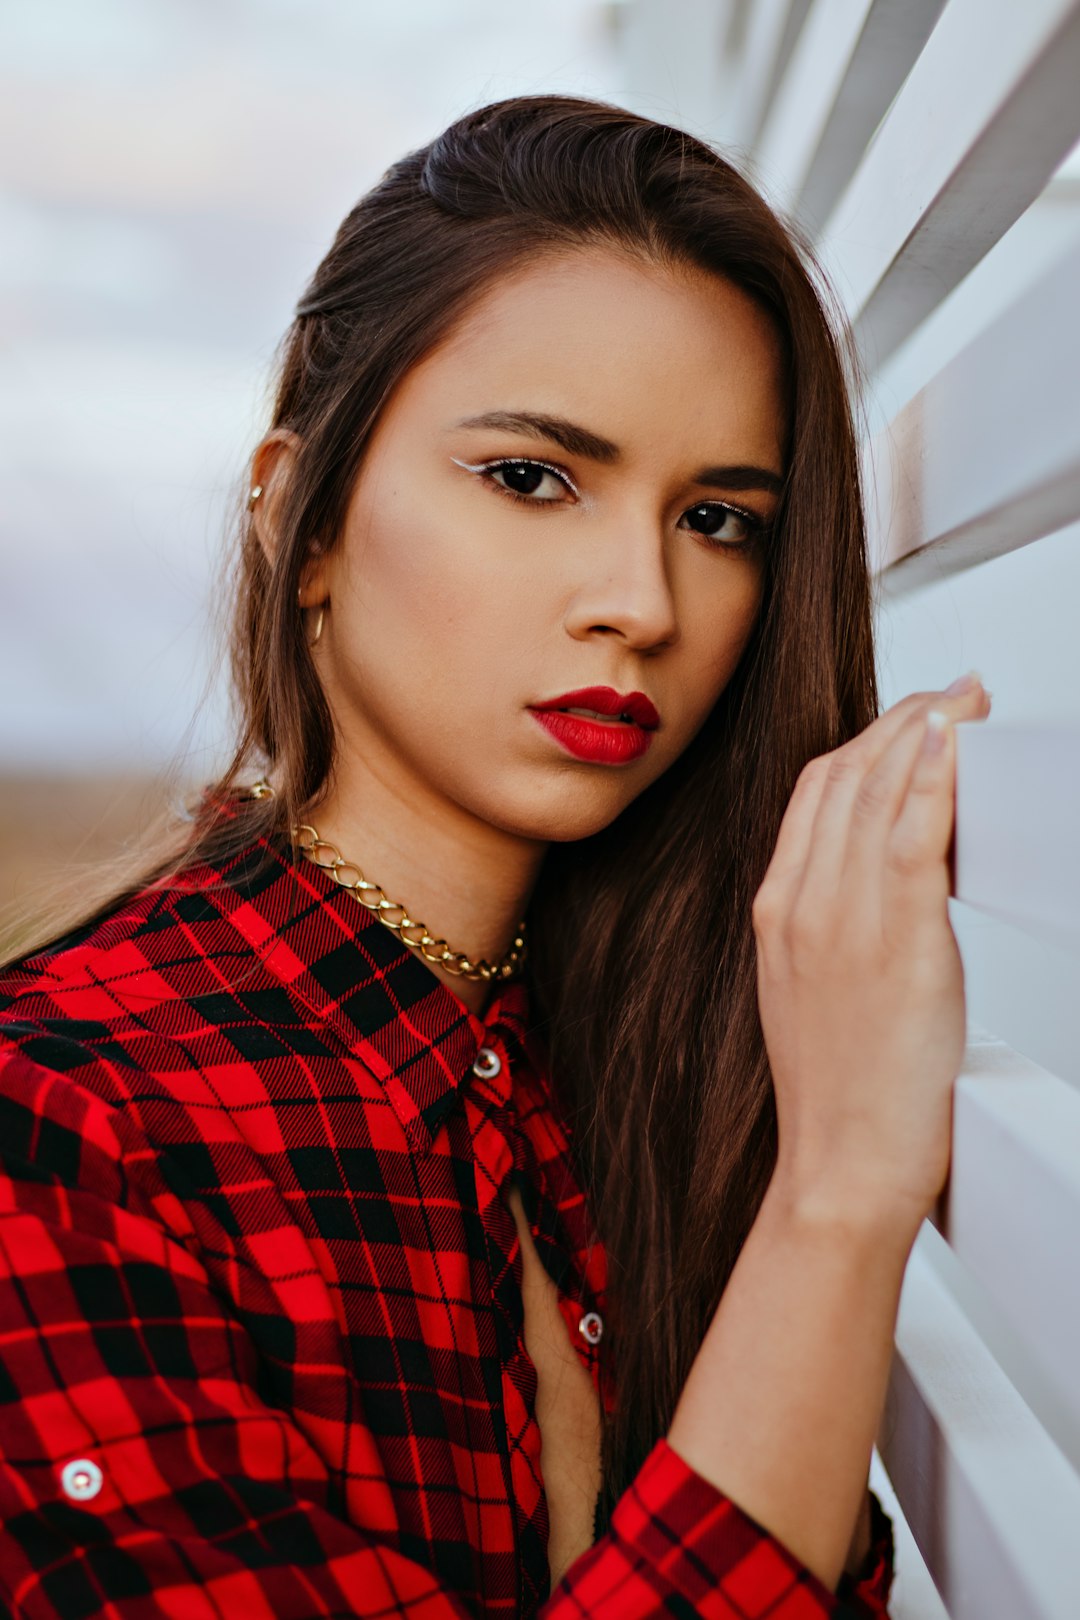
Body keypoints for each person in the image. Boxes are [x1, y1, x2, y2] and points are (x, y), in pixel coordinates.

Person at [0, 95, 990, 1618]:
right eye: (531, 478)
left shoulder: (639, 1077)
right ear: (299, 516)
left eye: (720, 518)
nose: (640, 602)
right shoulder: (67, 1124)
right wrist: (838, 1203)